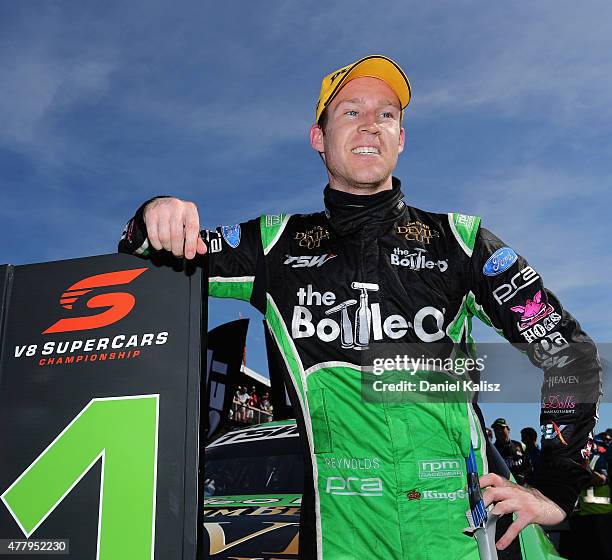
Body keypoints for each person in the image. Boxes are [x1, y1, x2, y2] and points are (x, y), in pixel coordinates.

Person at [119, 55, 601, 559]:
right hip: (342, 536)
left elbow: (569, 353)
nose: (371, 123)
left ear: (402, 139)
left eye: (386, 114)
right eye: (351, 112)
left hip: (468, 534)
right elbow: (144, 263)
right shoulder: (274, 245)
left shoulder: (462, 242)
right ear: (318, 138)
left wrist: (555, 487)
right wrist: (155, 215)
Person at [492, 418, 533, 486]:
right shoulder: (494, 450)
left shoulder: (520, 445)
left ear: (508, 429)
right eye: (496, 429)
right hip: (504, 486)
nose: (499, 431)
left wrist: (524, 476)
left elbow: (529, 465)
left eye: (502, 428)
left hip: (522, 486)